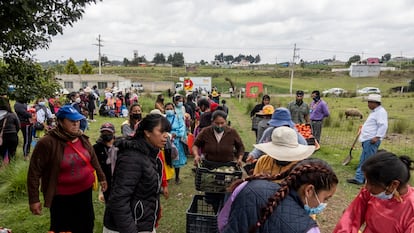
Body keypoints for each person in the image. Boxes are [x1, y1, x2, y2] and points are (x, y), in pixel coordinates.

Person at [27, 105, 107, 233]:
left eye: (78, 120)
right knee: (63, 228)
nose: (76, 124)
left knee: (86, 225)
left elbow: (93, 159)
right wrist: (34, 199)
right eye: (71, 121)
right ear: (60, 122)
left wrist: (102, 177)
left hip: (84, 193)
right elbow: (34, 172)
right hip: (61, 198)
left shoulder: (82, 138)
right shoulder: (47, 142)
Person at [219, 158, 338, 233]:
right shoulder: (308, 229)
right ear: (309, 191)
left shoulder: (247, 185)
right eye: (325, 198)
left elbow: (222, 222)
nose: (323, 204)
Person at [103, 114, 170, 233]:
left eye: (167, 132)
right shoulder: (132, 157)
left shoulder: (152, 154)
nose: (166, 136)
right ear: (147, 132)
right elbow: (119, 199)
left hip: (142, 222)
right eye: (162, 131)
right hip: (125, 227)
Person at [334, 150, 414, 232]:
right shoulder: (370, 193)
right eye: (366, 181)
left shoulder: (411, 210)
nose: (367, 187)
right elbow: (351, 218)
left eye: (372, 184)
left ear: (394, 184)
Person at [347, 94, 388, 185]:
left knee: (366, 160)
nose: (368, 104)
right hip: (367, 139)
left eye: (369, 102)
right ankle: (363, 178)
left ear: (375, 103)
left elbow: (383, 125)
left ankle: (360, 178)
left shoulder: (381, 112)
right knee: (365, 158)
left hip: (371, 139)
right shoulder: (374, 112)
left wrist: (377, 137)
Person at [93, 122, 118, 203]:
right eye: (104, 133)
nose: (106, 135)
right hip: (106, 179)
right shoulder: (96, 148)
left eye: (109, 133)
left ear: (113, 133)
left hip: (119, 179)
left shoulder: (120, 145)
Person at [165, 103, 187, 184]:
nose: (169, 110)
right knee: (167, 158)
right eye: (167, 109)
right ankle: (167, 176)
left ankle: (177, 177)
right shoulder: (163, 118)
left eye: (171, 108)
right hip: (166, 141)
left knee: (177, 159)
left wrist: (176, 134)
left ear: (174, 109)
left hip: (176, 141)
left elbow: (182, 128)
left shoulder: (178, 118)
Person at [0, 96, 20, 163]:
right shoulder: (12, 114)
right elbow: (18, 126)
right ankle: (11, 170)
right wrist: (14, 132)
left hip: (2, 137)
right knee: (12, 156)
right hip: (13, 136)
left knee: (1, 157)